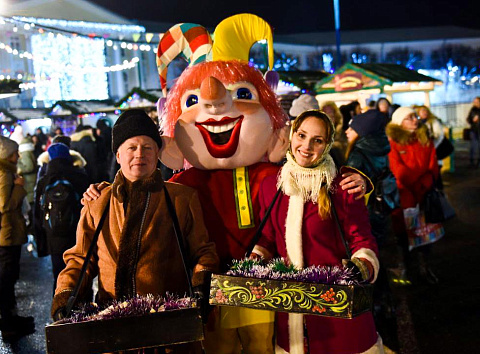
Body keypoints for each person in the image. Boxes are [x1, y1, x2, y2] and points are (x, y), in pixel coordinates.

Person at [51, 109, 219, 353]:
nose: (140, 154)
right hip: (112, 329)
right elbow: (79, 260)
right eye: (131, 147)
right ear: (118, 155)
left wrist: (202, 286)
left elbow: (203, 252)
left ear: (158, 153)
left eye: (147, 147)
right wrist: (66, 295)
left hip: (168, 331)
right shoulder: (98, 202)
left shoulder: (182, 199)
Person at [251, 110, 382, 354]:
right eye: (301, 135)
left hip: (337, 309)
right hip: (291, 313)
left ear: (328, 145)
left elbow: (362, 239)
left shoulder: (342, 185)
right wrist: (257, 255)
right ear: (292, 135)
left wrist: (361, 266)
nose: (306, 146)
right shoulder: (272, 184)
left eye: (317, 140)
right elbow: (268, 237)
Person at [386, 107, 441, 284]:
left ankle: (425, 269)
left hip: (424, 195)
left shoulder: (425, 139)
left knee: (426, 236)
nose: (415, 120)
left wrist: (424, 185)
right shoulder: (392, 142)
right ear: (399, 121)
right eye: (409, 117)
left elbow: (433, 166)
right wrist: (416, 186)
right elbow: (397, 170)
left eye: (415, 116)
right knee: (404, 237)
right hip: (405, 197)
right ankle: (408, 270)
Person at [33, 143, 89, 291]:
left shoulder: (44, 181)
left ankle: (59, 310)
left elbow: (37, 214)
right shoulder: (80, 177)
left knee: (59, 276)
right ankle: (83, 311)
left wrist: (41, 242)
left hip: (54, 236)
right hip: (77, 234)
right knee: (80, 274)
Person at [0, 136, 35, 341]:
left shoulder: (6, 172)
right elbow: (4, 205)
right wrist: (20, 187)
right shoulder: (4, 174)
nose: (18, 156)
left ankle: (12, 318)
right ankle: (8, 324)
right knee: (6, 278)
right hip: (7, 234)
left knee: (9, 277)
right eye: (15, 153)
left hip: (8, 232)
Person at [320, 100, 348, 166]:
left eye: (331, 116)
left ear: (336, 118)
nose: (328, 119)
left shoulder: (342, 135)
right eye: (325, 115)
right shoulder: (317, 134)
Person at [466, 96, 480, 167]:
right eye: (474, 102)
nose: (475, 103)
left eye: (476, 102)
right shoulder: (472, 110)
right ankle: (472, 161)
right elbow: (468, 119)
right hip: (473, 130)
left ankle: (478, 162)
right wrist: (472, 120)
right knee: (473, 146)